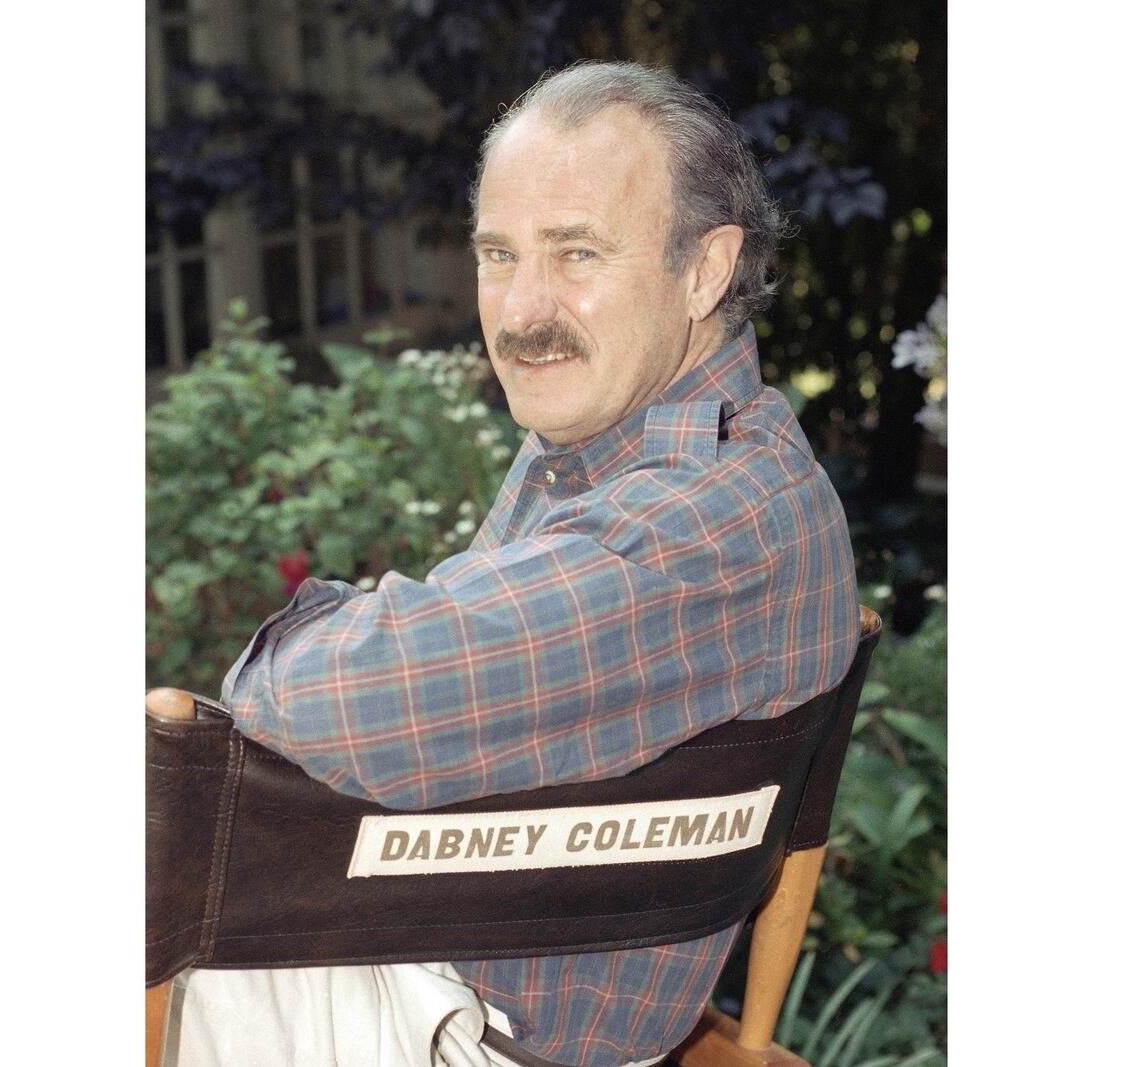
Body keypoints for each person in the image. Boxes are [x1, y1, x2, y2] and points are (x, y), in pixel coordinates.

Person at [176, 60, 861, 1067]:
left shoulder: (696, 530)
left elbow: (300, 697)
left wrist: (353, 624)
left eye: (577, 252)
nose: (522, 309)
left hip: (465, 1021)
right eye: (498, 255)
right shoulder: (650, 441)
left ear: (705, 270)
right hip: (422, 940)